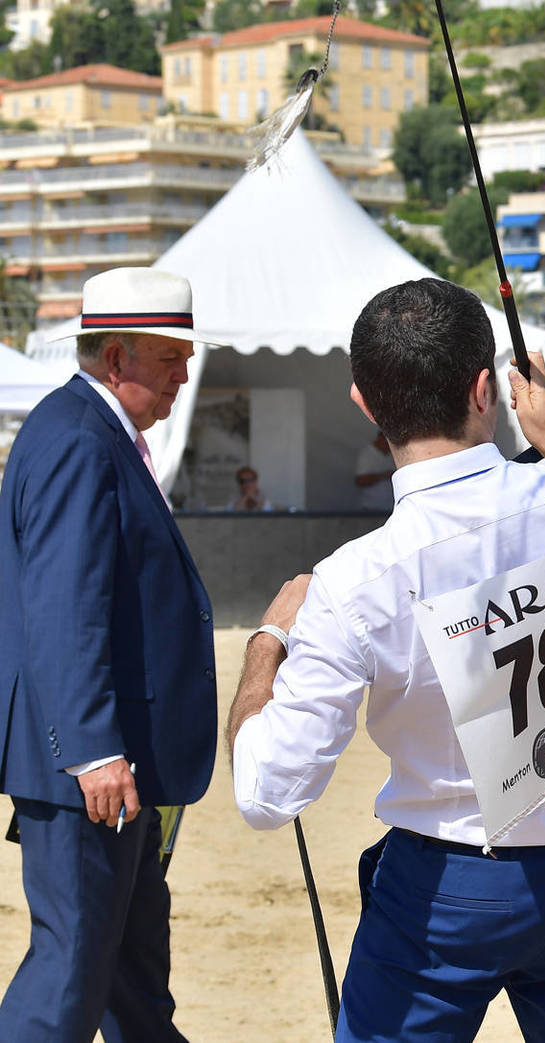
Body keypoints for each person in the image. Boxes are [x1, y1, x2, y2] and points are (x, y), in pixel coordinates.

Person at [226, 278, 545, 1042]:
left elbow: (267, 792)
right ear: (488, 389)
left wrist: (266, 646)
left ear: (365, 404)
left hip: (448, 889)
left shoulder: (356, 578)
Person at [0, 267, 220, 1041]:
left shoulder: (89, 433)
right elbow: (65, 609)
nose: (184, 377)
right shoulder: (77, 441)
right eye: (172, 361)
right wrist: (94, 750)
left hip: (118, 768)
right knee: (70, 978)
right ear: (118, 358)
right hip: (92, 770)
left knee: (131, 981)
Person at [354, 431, 394, 511]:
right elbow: (360, 481)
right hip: (372, 507)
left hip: (390, 507)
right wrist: (384, 475)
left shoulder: (391, 455)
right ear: (381, 439)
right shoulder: (366, 456)